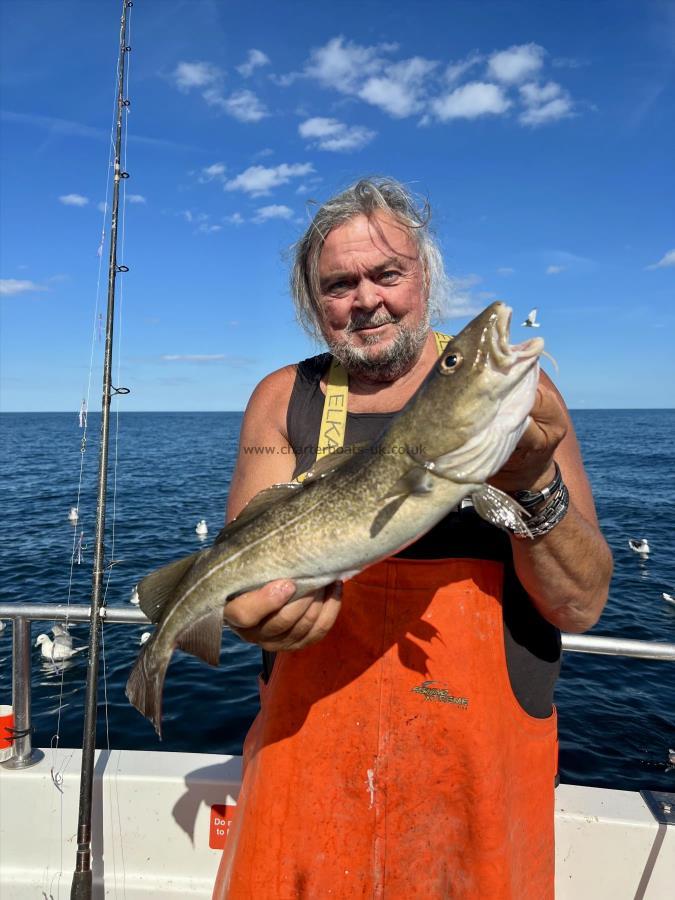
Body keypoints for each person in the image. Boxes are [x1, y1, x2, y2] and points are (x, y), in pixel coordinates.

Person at [212, 178, 612, 899]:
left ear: (426, 280)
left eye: (387, 273)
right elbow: (241, 583)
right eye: (338, 284)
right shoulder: (284, 399)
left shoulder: (520, 398)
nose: (365, 299)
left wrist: (530, 480)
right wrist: (251, 616)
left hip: (479, 758)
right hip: (310, 742)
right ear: (313, 302)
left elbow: (580, 607)